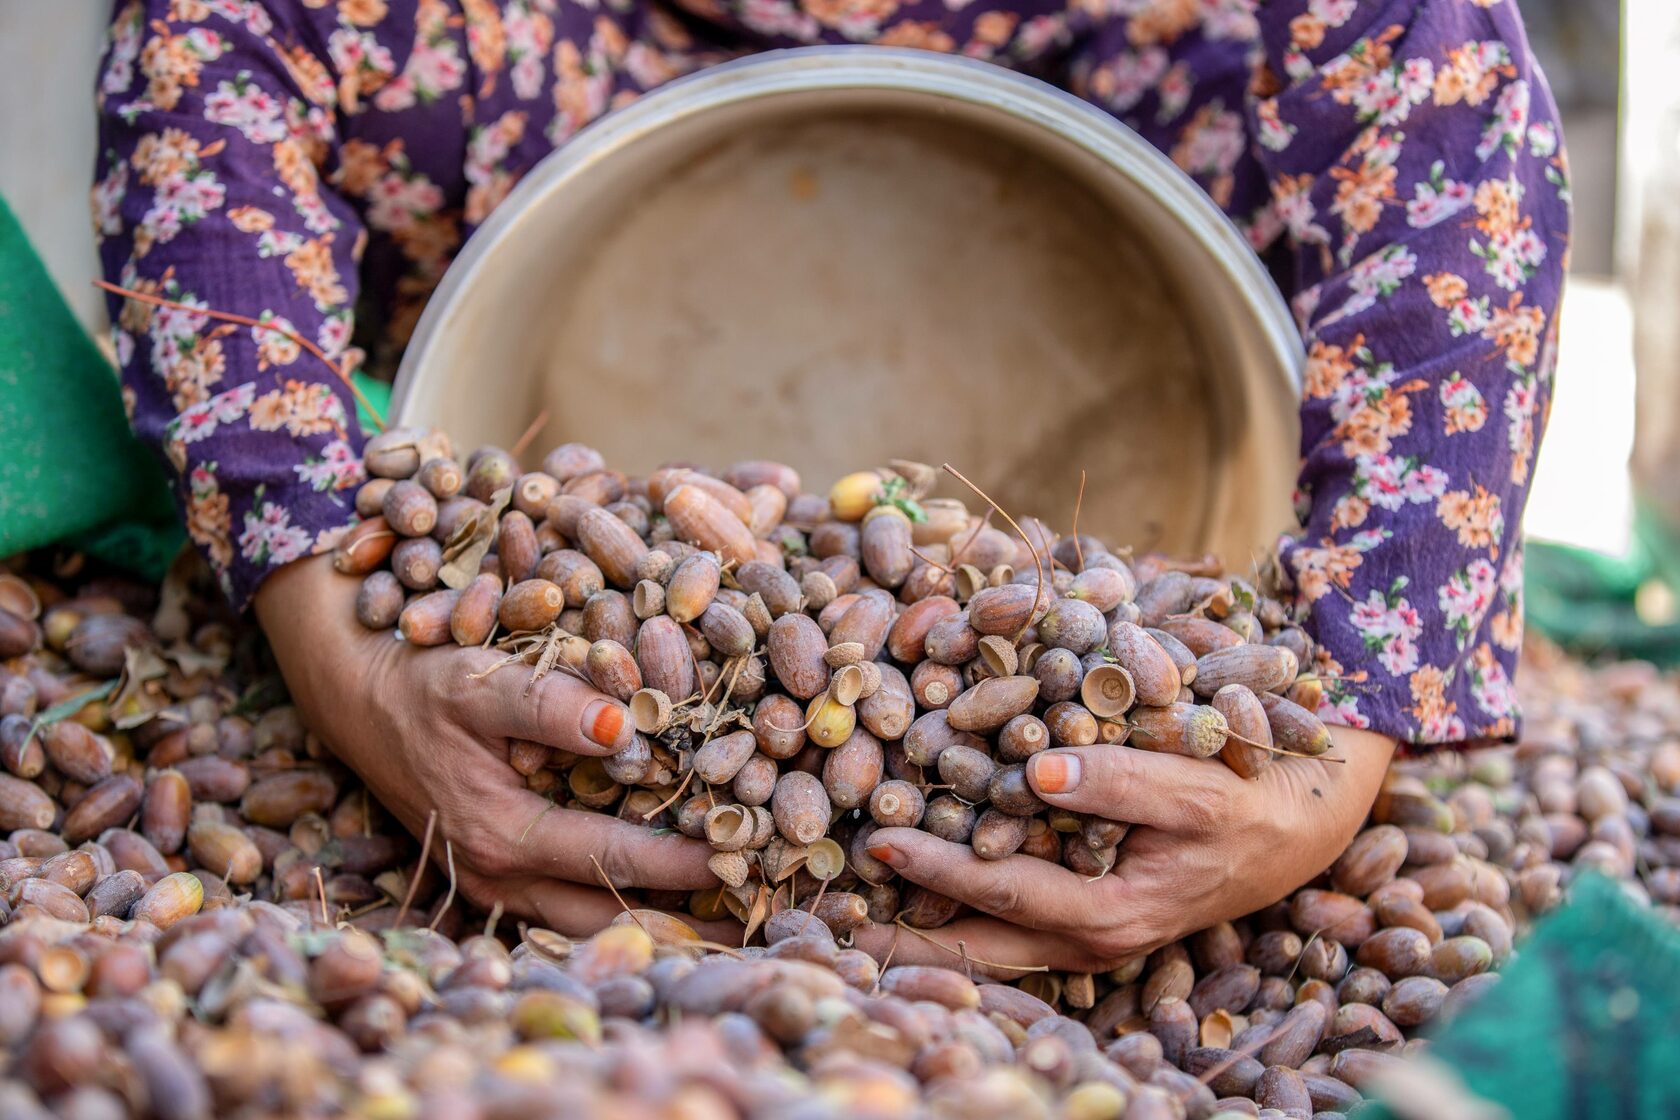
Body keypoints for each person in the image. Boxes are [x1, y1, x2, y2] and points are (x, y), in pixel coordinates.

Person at [94, 0, 1568, 969]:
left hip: (1102, 70)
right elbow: (211, 37)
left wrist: (1338, 750)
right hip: (588, 81)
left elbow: (1436, 84)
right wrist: (325, 626)